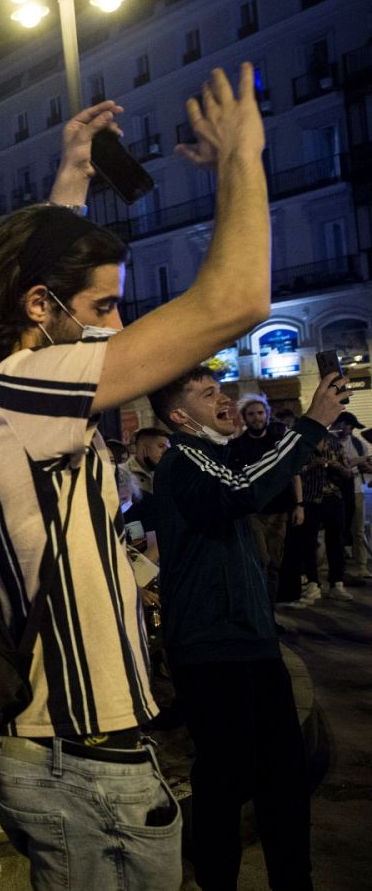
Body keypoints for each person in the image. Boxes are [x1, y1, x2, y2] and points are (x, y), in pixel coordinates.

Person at [0, 71, 271, 889]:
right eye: (109, 309)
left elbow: (46, 291)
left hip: (51, 753)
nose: (118, 329)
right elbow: (238, 299)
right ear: (45, 310)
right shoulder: (25, 389)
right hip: (86, 762)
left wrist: (73, 176)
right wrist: (241, 158)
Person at [148, 366, 345, 890]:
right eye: (209, 393)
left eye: (225, 391)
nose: (227, 399)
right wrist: (312, 425)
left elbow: (262, 477)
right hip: (213, 649)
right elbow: (245, 490)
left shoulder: (217, 456)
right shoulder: (183, 460)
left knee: (283, 779)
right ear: (179, 417)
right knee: (226, 782)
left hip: (250, 643)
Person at [230, 395, 301, 601]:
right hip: (254, 512)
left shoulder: (277, 441)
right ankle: (260, 612)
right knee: (260, 560)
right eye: (251, 414)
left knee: (275, 565)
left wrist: (299, 505)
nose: (256, 418)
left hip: (279, 511)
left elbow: (293, 472)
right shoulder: (237, 446)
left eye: (260, 413)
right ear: (244, 417)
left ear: (267, 414)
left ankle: (270, 614)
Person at [288, 436, 353, 604]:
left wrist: (336, 465)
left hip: (333, 497)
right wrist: (312, 465)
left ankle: (336, 584)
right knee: (308, 543)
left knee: (336, 542)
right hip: (310, 499)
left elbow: (348, 473)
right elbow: (292, 472)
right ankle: (312, 583)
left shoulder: (335, 444)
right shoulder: (302, 444)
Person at [330, 412, 372, 581]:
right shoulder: (329, 442)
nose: (349, 429)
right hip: (335, 492)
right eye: (347, 424)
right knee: (337, 531)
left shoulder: (358, 444)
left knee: (358, 530)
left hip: (356, 491)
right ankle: (341, 568)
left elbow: (365, 467)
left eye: (351, 426)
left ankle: (362, 566)